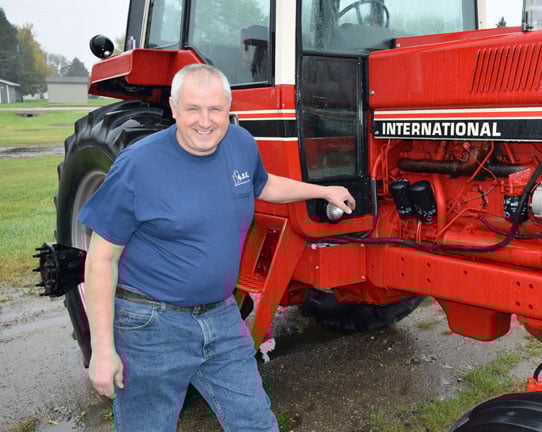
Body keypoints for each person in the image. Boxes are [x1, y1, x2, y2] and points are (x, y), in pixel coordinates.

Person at [78, 63, 355, 431]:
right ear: (175, 108)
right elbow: (100, 258)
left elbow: (263, 184)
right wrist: (103, 350)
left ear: (229, 108)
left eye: (215, 109)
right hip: (152, 326)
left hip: (222, 317)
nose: (205, 121)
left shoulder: (239, 143)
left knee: (256, 423)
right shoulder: (138, 166)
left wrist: (321, 190)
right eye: (193, 108)